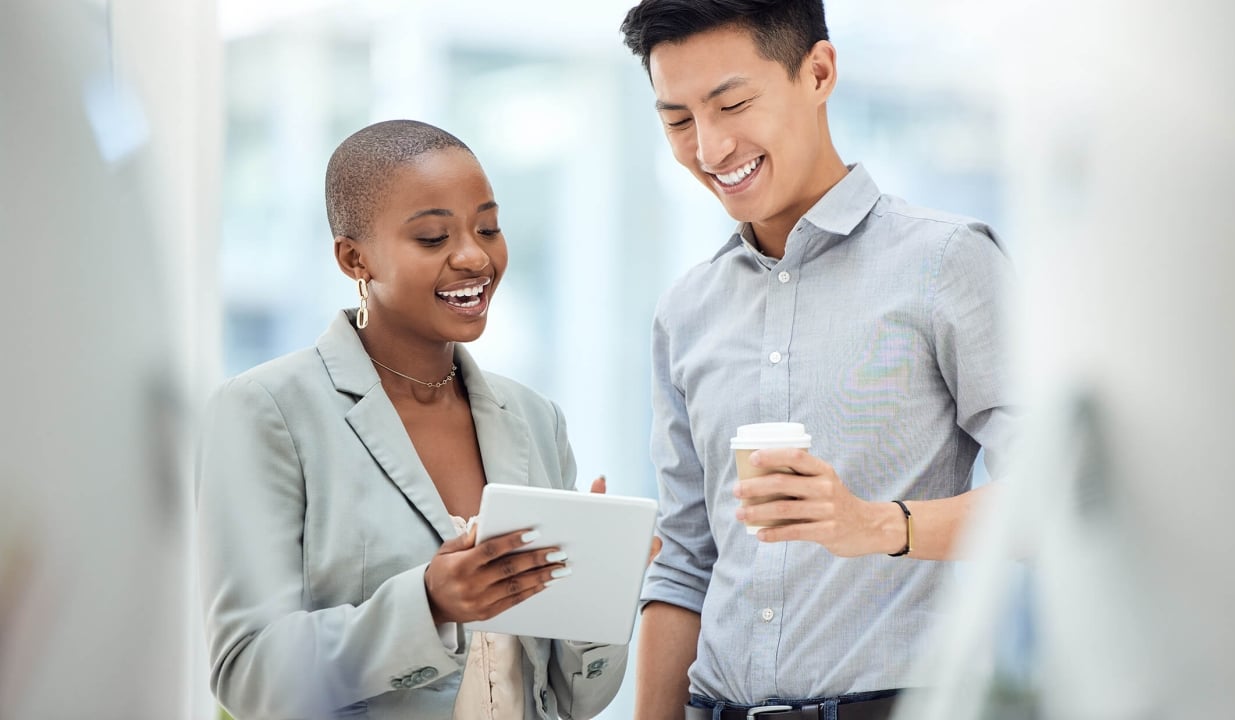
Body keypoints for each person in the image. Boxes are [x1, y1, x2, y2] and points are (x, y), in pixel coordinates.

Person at [618, 2, 1017, 719]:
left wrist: (877, 525)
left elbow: (1053, 502)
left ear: (819, 72)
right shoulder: (686, 311)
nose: (709, 148)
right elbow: (683, 563)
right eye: (677, 120)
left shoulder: (947, 262)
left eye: (732, 103)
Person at [196, 120, 627, 720]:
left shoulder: (535, 419)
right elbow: (247, 673)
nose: (475, 256)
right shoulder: (266, 411)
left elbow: (576, 699)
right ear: (355, 258)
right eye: (432, 237)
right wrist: (429, 604)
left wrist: (600, 588)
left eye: (489, 227)